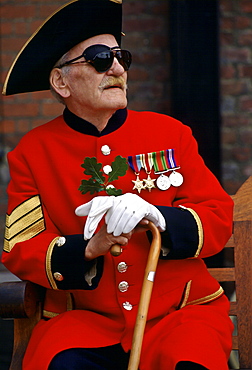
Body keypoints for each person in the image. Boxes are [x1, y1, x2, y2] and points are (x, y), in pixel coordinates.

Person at [2, 1, 234, 369]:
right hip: (86, 322)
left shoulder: (171, 133)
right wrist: (87, 248)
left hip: (179, 315)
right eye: (98, 58)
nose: (116, 68)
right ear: (60, 81)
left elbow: (218, 217)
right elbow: (21, 248)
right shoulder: (31, 153)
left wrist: (159, 216)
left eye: (120, 56)